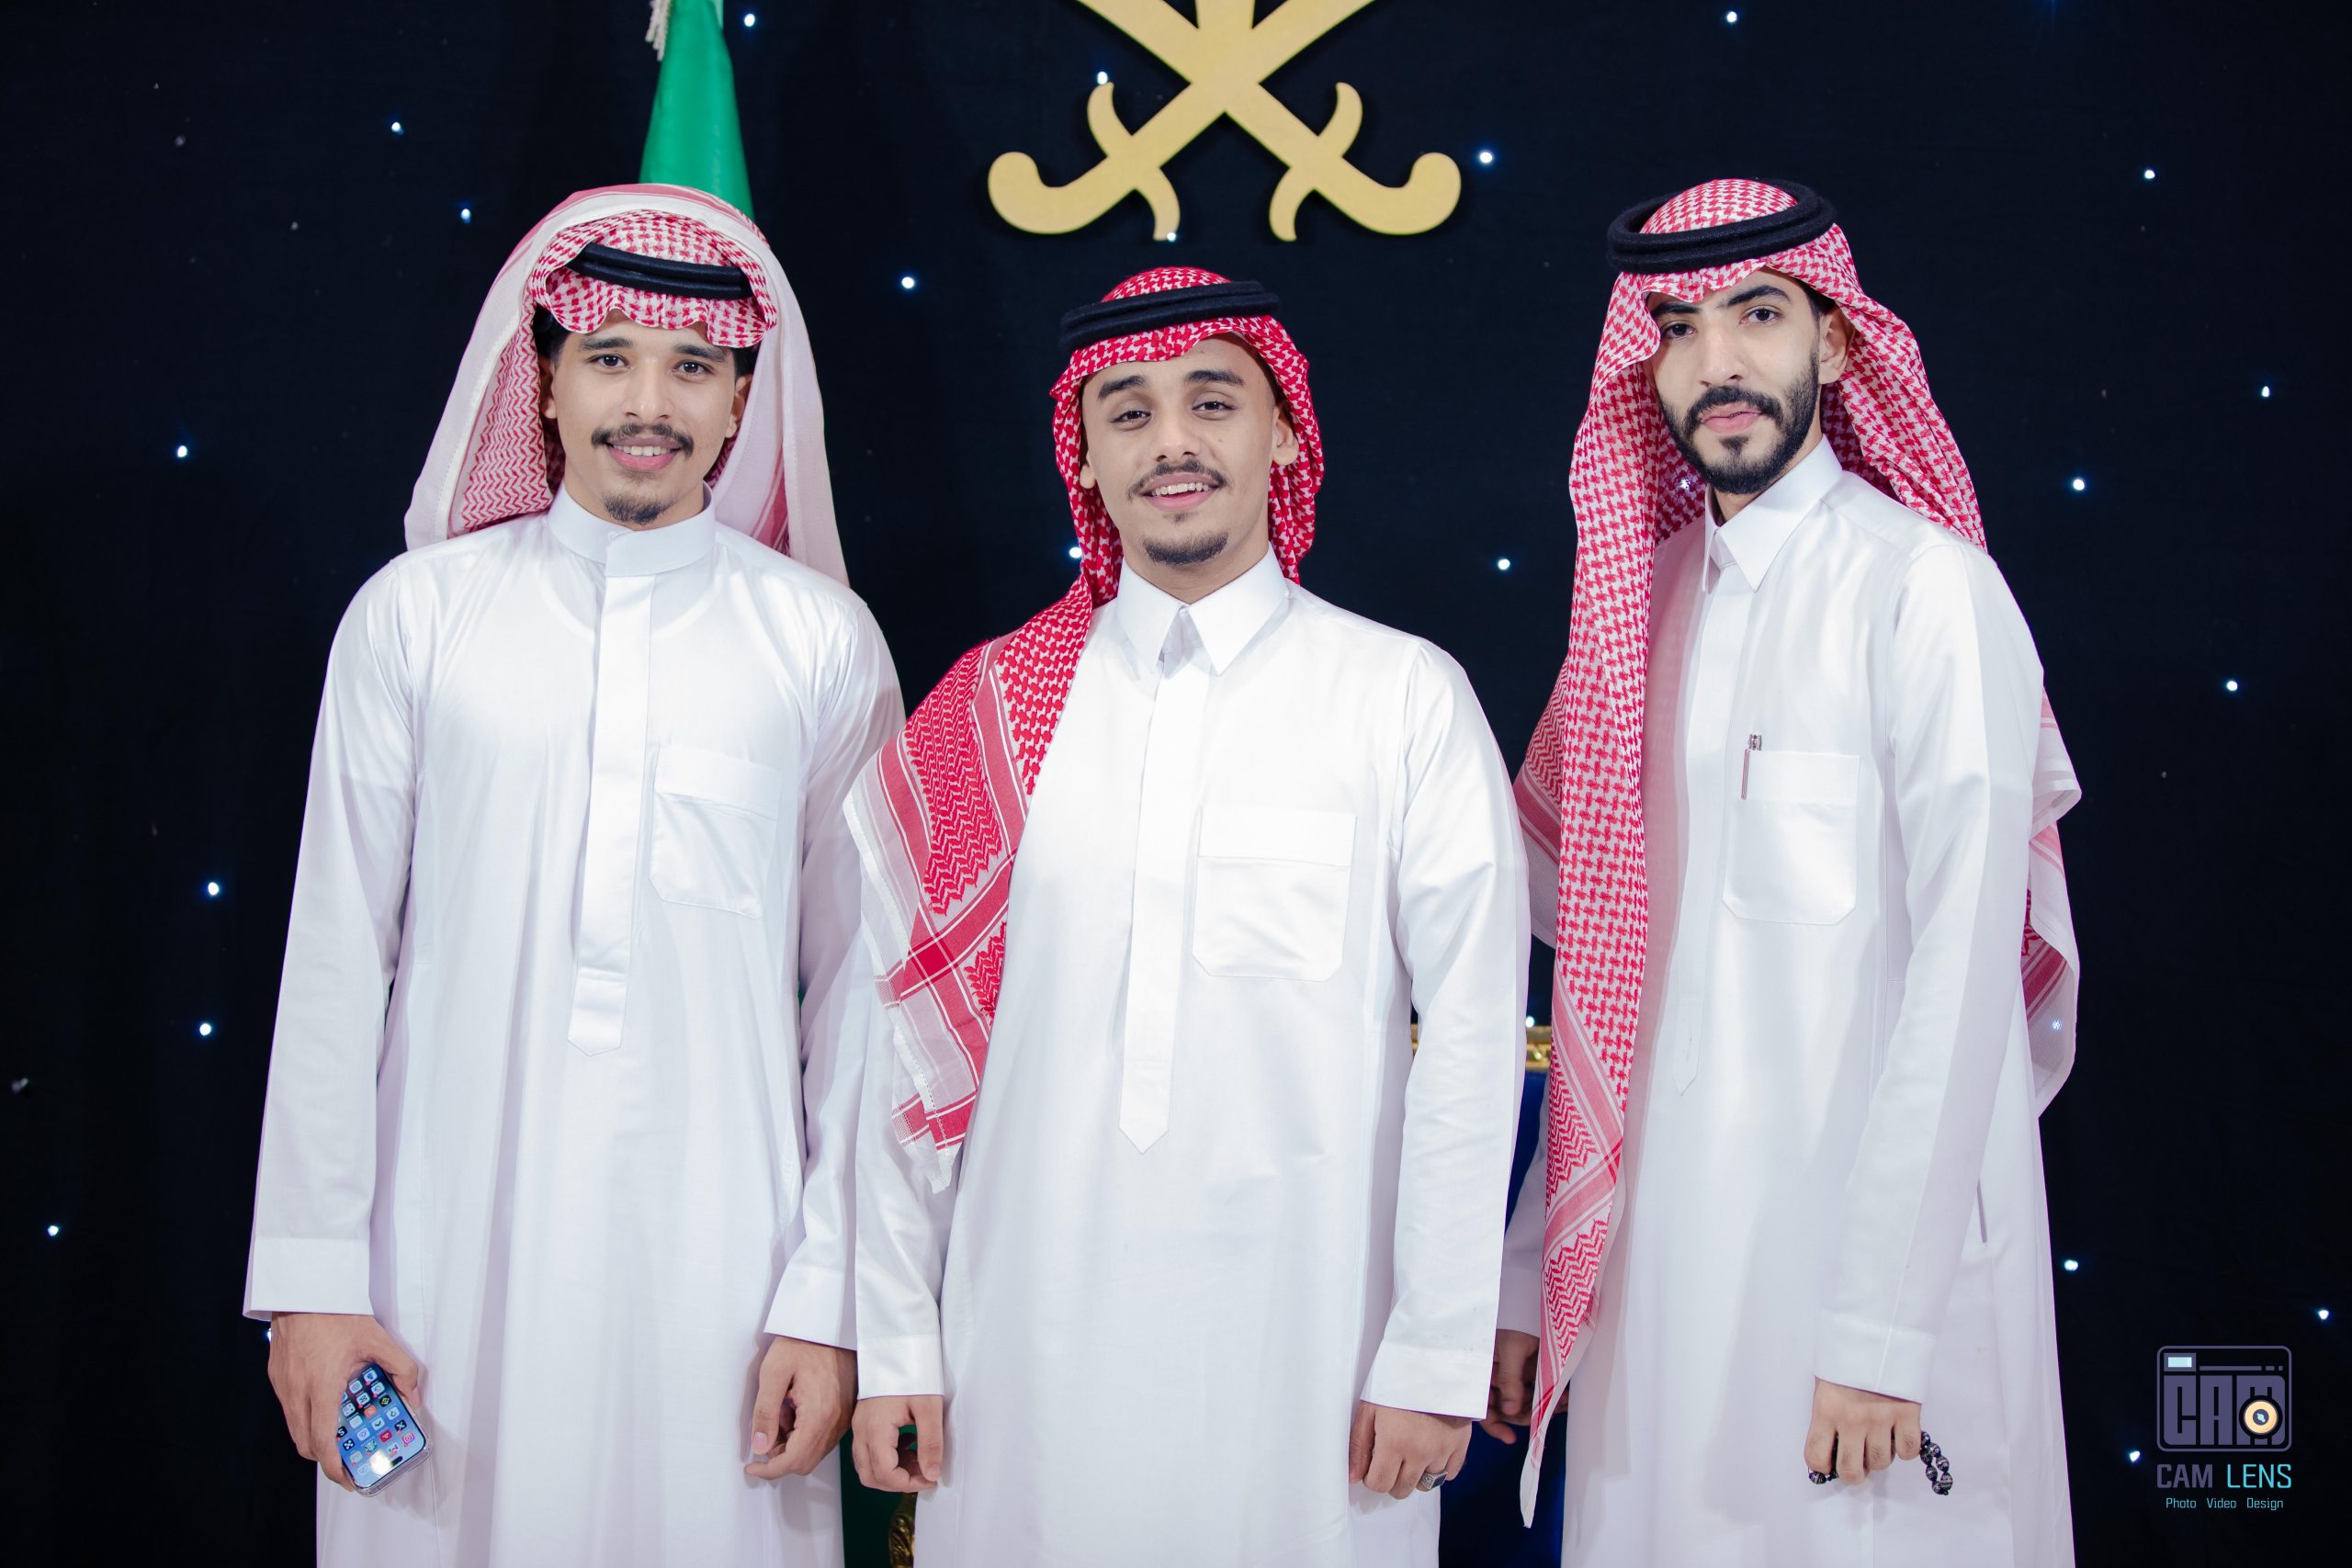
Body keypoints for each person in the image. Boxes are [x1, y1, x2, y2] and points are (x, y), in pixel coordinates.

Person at [243, 185, 901, 1566]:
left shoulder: (823, 645)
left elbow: (863, 1002)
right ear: (545, 383)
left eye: (693, 367)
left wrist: (831, 1296)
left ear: (740, 401)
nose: (647, 404)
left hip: (730, 1287)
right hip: (435, 1269)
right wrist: (311, 1281)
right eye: (610, 359)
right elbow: (335, 959)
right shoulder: (416, 618)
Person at [844, 268, 1528, 1567]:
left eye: (1212, 402)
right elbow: (904, 1070)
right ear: (1085, 460)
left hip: (1316, 1360)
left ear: (1284, 435)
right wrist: (895, 1340)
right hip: (1023, 1360)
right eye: (1128, 412)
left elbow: (1476, 1045)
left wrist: (1436, 1348)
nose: (1172, 442)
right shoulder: (988, 710)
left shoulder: (1401, 697)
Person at [1488, 179, 2082, 1565]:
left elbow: (1964, 984)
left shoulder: (1926, 591)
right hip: (1658, 1274)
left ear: (1840, 340)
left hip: (1857, 1282)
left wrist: (1882, 1326)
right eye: (1677, 327)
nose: (1718, 361)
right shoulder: (1637, 615)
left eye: (1758, 315)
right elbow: (1600, 989)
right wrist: (1528, 1271)